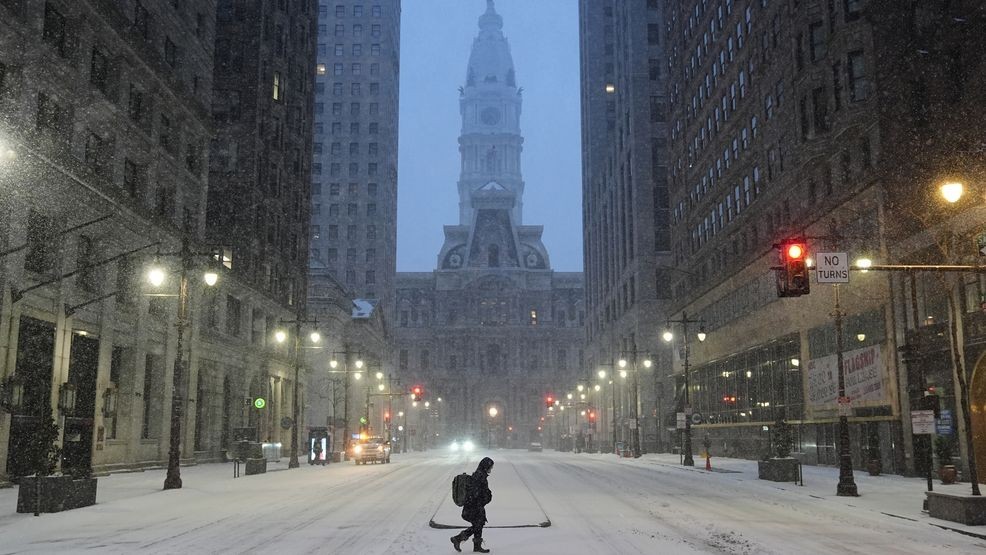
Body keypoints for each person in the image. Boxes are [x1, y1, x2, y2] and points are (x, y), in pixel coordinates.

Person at [451, 457, 494, 553]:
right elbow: (476, 494)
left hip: (474, 507)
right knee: (478, 525)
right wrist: (487, 496)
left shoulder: (479, 475)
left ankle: (476, 546)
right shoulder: (480, 477)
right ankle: (458, 539)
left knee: (479, 525)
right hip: (474, 507)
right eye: (490, 467)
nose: (491, 469)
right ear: (486, 466)